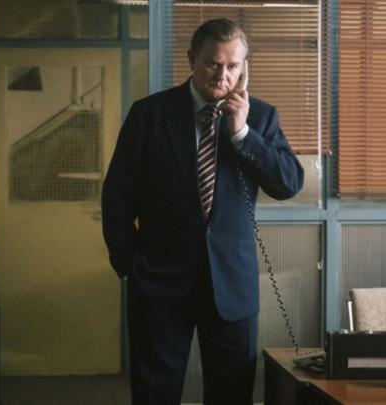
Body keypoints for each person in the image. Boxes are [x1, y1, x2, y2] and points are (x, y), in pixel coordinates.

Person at [101, 18, 304, 405]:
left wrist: (243, 134)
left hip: (231, 286)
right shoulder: (149, 115)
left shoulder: (259, 117)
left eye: (233, 67)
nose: (223, 75)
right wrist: (127, 263)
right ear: (192, 58)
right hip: (159, 284)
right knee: (153, 396)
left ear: (243, 67)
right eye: (213, 63)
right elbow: (117, 197)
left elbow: (289, 183)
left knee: (231, 396)